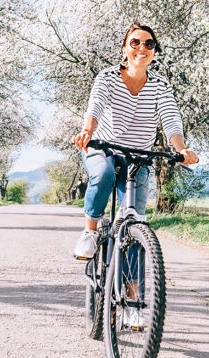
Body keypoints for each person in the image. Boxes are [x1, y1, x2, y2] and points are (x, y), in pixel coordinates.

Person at [71, 23, 198, 326]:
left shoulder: (160, 85)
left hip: (138, 157)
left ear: (154, 51)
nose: (142, 48)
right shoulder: (107, 77)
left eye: (149, 44)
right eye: (135, 42)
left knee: (136, 227)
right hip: (102, 146)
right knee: (102, 175)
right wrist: (87, 131)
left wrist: (181, 148)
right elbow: (96, 106)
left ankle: (131, 302)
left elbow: (171, 119)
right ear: (125, 48)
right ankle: (90, 232)